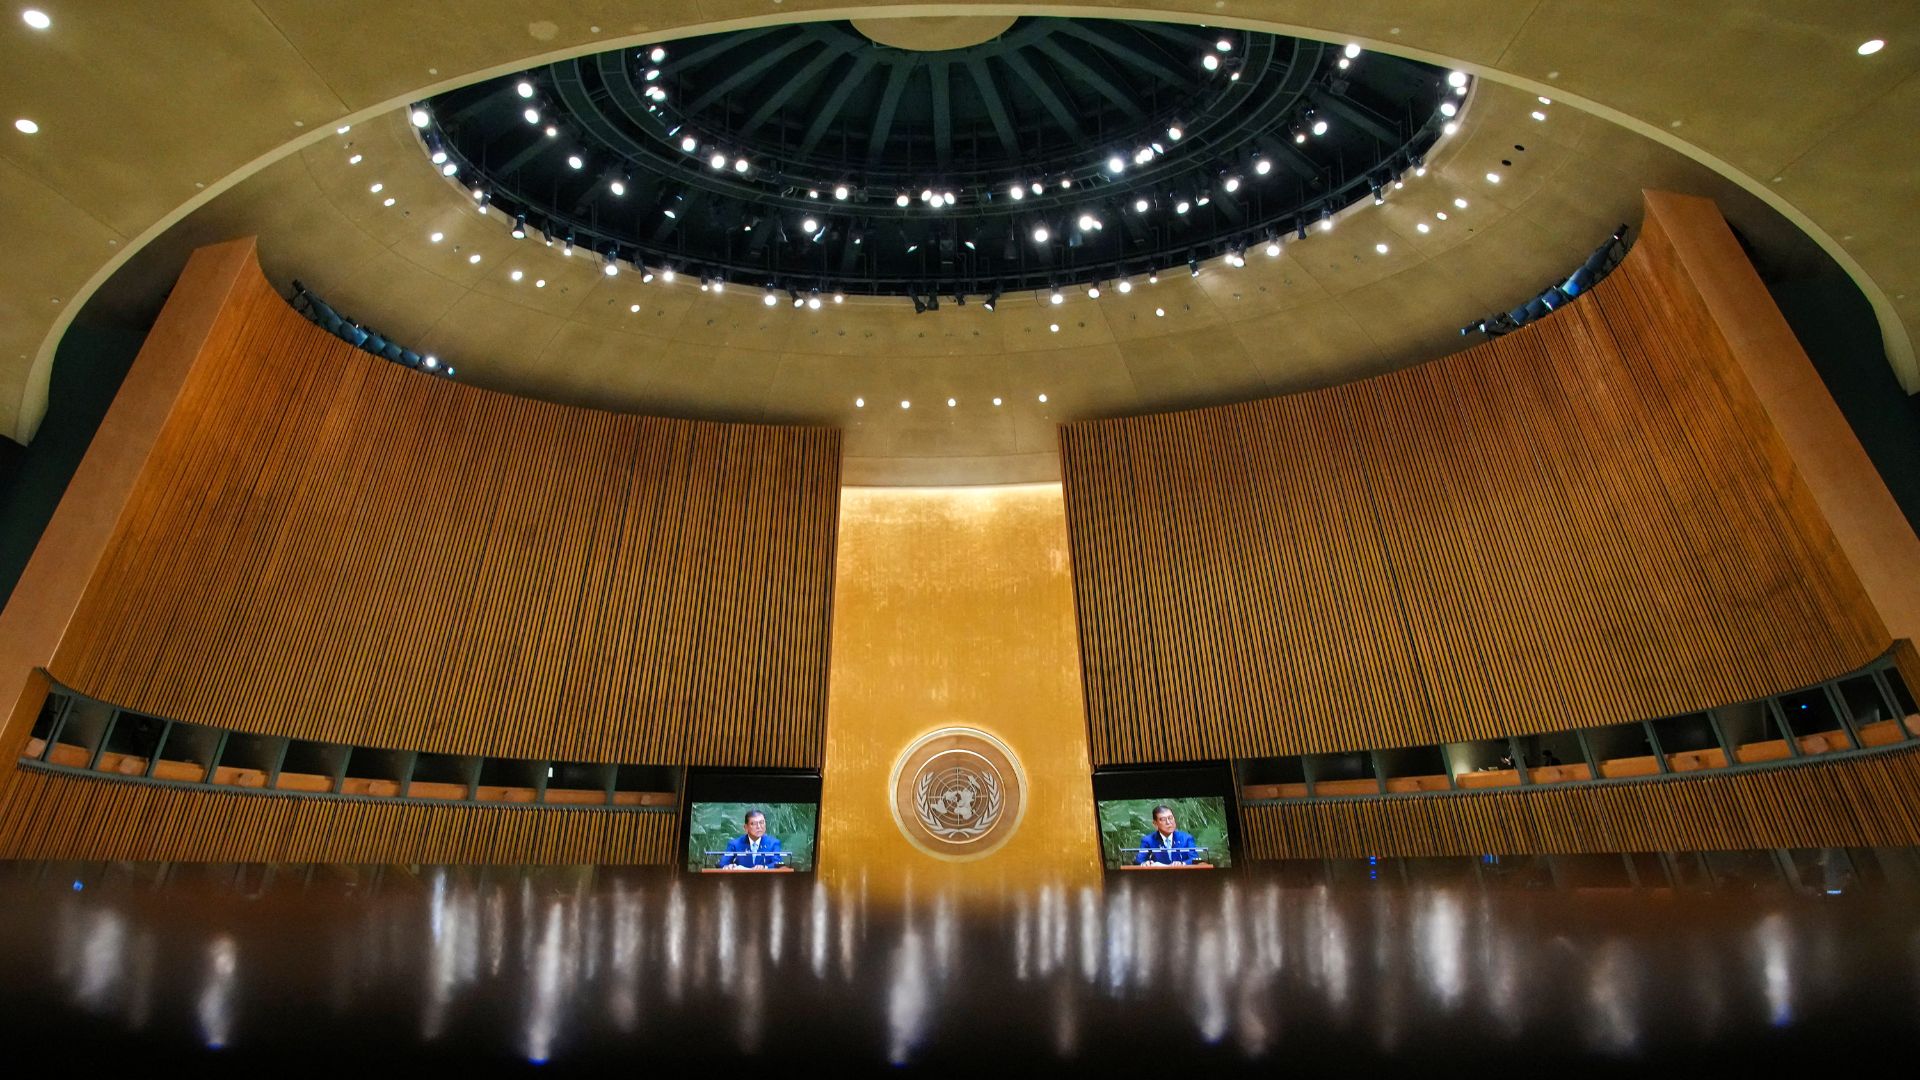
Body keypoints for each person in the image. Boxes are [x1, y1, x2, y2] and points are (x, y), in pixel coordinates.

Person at [718, 809, 785, 869]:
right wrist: (728, 866)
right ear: (746, 827)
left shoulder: (774, 843)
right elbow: (722, 864)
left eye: (761, 822)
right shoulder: (735, 844)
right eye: (754, 824)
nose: (759, 827)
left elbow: (778, 863)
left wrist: (765, 867)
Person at [1134, 805, 1199, 866]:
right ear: (1155, 823)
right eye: (1163, 819)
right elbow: (1138, 861)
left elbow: (1195, 859)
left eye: (1170, 818)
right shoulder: (1148, 841)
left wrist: (1182, 864)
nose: (1168, 822)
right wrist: (1145, 863)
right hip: (1158, 876)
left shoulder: (1186, 838)